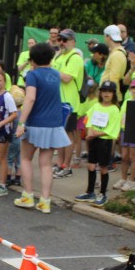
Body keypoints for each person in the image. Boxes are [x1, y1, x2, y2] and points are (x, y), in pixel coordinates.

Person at [12, 42, 70, 214]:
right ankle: (45, 201)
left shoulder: (32, 75)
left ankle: (28, 196)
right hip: (53, 123)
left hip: (35, 123)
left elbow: (30, 98)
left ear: (33, 59)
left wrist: (21, 123)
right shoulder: (55, 74)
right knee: (46, 164)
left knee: (25, 158)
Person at [74, 81, 121, 207]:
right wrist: (90, 131)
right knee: (91, 165)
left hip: (104, 141)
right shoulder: (96, 106)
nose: (106, 94)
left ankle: (102, 193)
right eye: (104, 91)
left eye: (109, 91)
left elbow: (112, 129)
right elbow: (88, 119)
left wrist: (96, 134)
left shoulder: (114, 109)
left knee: (103, 167)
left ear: (113, 94)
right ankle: (90, 192)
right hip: (93, 139)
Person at [52, 29, 84, 177]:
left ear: (73, 42)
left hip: (69, 104)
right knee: (59, 134)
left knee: (68, 135)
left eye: (65, 40)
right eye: (60, 40)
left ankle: (67, 166)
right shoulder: (60, 56)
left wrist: (51, 70)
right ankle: (60, 164)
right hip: (58, 101)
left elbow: (66, 78)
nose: (62, 43)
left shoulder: (75, 58)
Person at [99, 25, 128, 102]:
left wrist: (109, 98)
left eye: (105, 36)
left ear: (108, 37)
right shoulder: (116, 53)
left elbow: (113, 78)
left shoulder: (117, 54)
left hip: (111, 98)